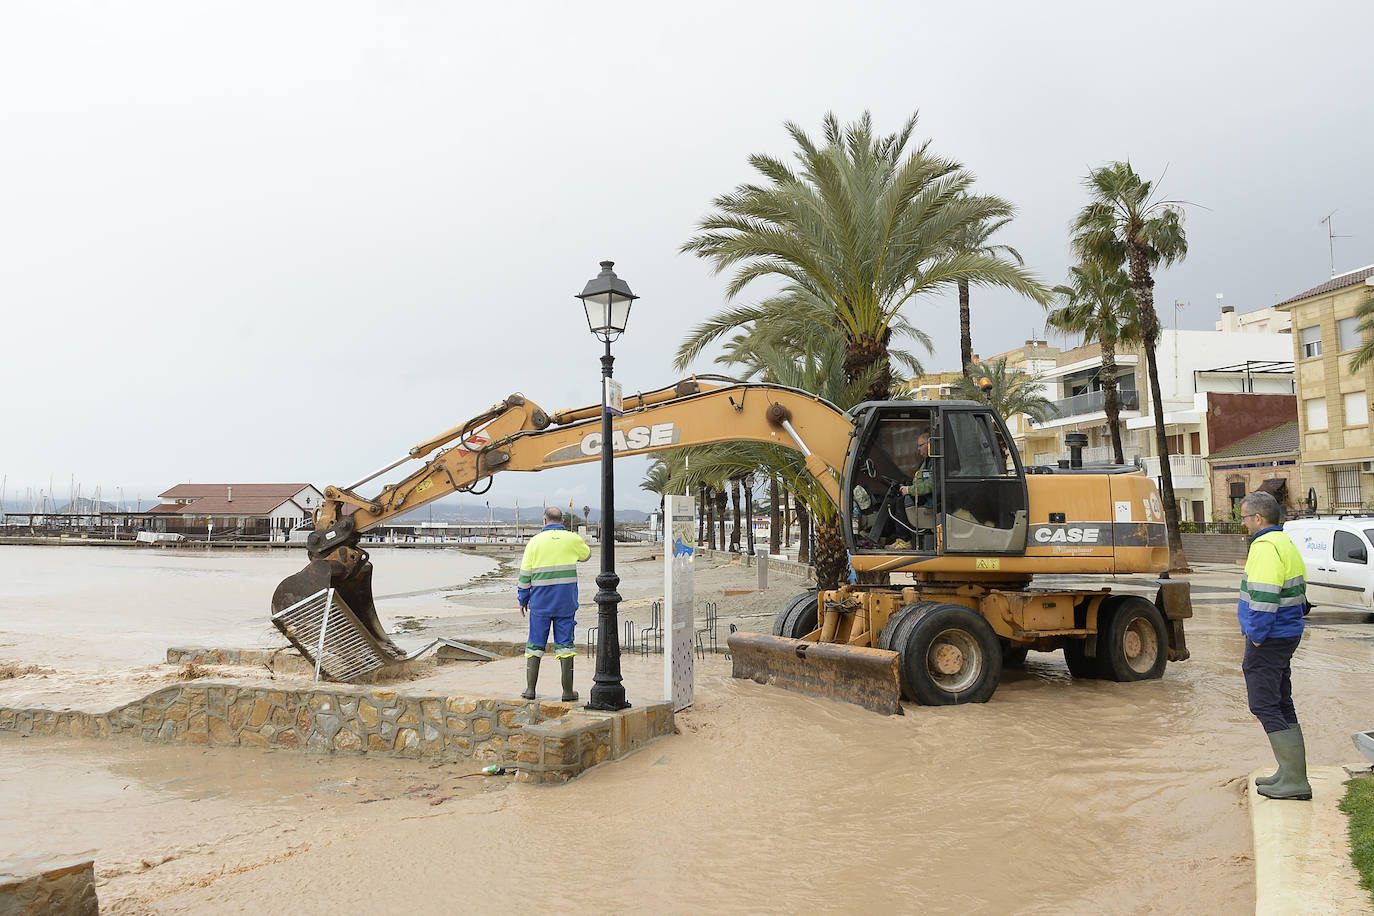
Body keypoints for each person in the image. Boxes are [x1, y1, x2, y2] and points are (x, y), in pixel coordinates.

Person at [1237, 490, 1312, 800]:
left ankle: (1294, 780)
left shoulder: (1265, 547)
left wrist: (1256, 634)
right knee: (1281, 700)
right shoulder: (1284, 542)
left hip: (1269, 636)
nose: (1242, 524)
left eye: (1243, 517)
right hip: (1286, 633)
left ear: (1258, 518)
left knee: (1264, 703)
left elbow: (1265, 597)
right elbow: (1301, 595)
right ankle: (1289, 771)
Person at [516, 506, 591, 701]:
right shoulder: (572, 538)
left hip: (540, 603)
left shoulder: (534, 543)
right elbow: (586, 555)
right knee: (565, 645)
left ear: (544, 520)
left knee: (535, 644)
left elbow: (525, 576)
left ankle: (530, 690)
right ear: (563, 521)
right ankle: (567, 692)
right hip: (566, 603)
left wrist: (523, 599)